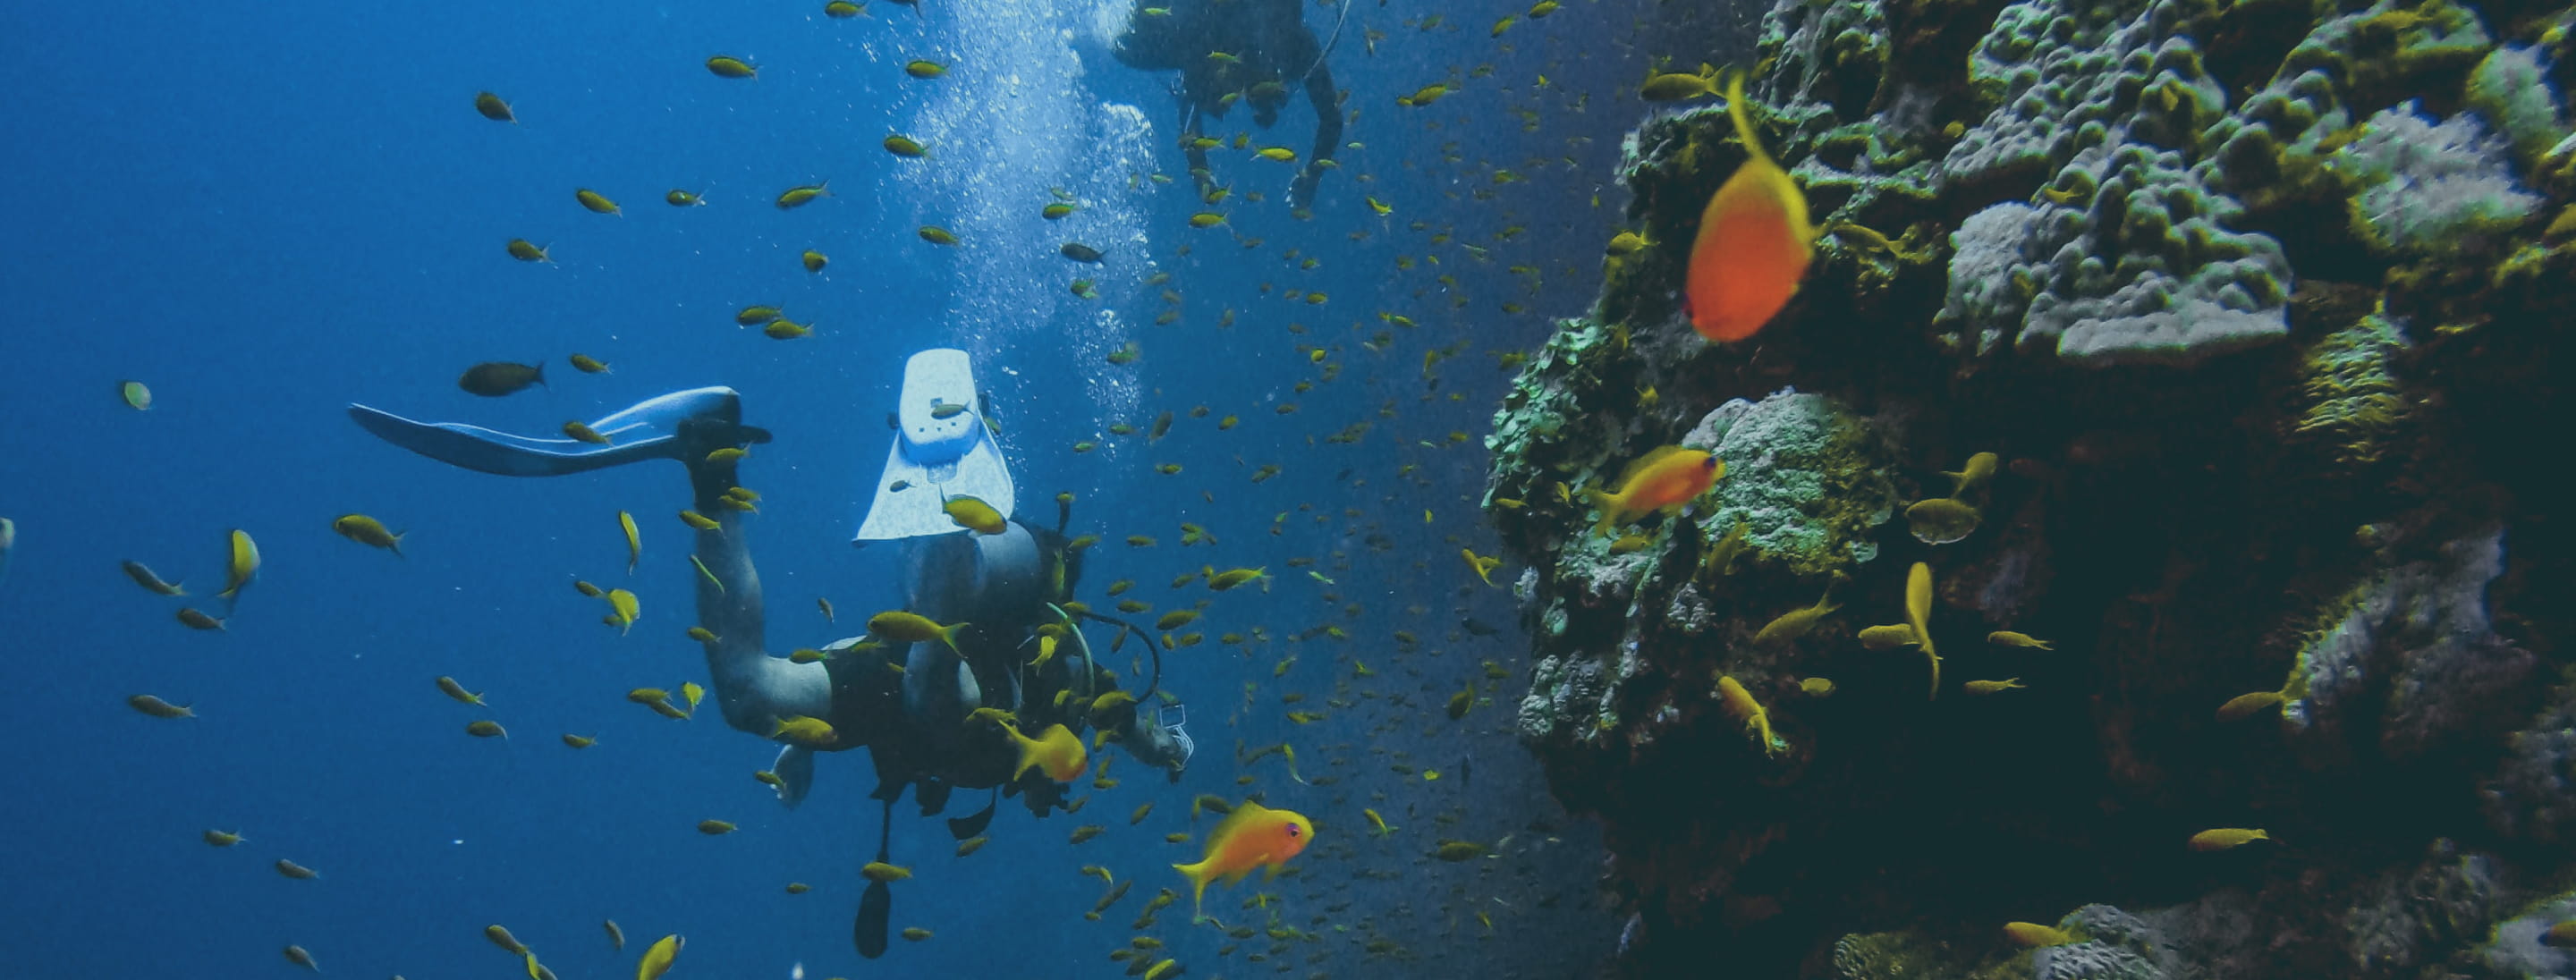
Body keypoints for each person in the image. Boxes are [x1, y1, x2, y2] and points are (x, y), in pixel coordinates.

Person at [348, 349, 1191, 957]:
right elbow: (1118, 716)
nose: (1050, 797)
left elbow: (862, 655)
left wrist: (801, 739)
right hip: (961, 674)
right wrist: (1167, 747)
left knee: (750, 695)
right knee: (940, 697)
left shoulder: (1058, 718)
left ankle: (713, 458)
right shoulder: (1080, 701)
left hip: (911, 680)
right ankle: (954, 550)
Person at [1112, 0, 1347, 212]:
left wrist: (1312, 176)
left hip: (1195, 37)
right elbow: (1191, 96)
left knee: (1126, 44)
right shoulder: (1220, 31)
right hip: (1186, 27)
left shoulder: (1298, 46)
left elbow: (1332, 118)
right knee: (1123, 45)